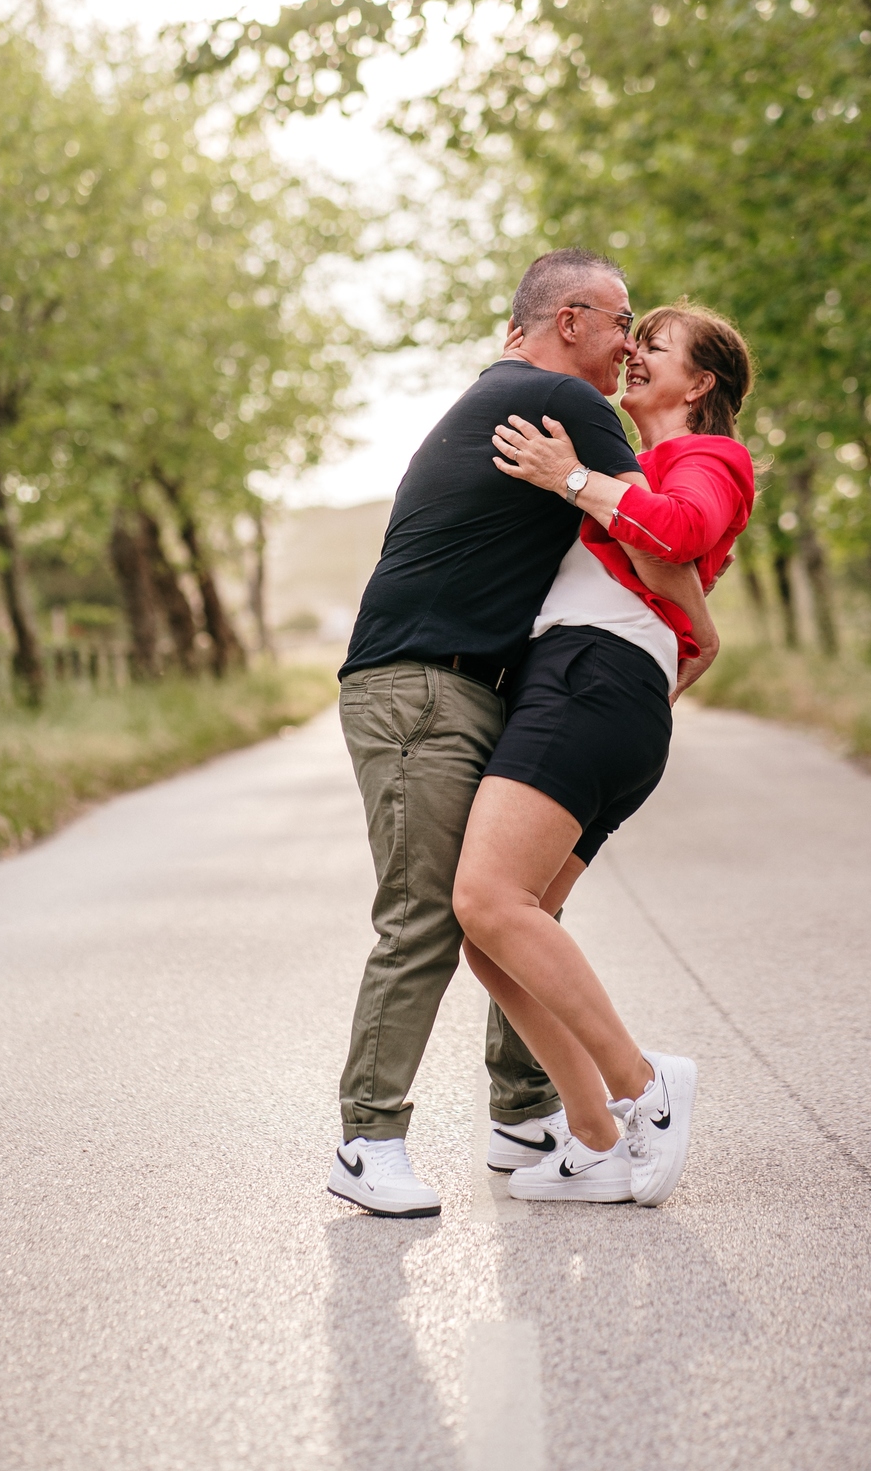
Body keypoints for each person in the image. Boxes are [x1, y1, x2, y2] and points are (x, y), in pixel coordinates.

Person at [327, 251, 718, 1218]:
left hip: (459, 682)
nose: (629, 344)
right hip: (424, 686)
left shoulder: (508, 391)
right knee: (435, 910)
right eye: (622, 320)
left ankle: (528, 1115)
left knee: (507, 903)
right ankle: (369, 1140)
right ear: (571, 320)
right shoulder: (562, 398)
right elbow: (653, 541)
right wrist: (701, 630)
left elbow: (657, 518)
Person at [451, 299, 755, 1206]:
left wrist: (572, 476)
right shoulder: (636, 464)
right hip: (596, 686)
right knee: (497, 938)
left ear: (700, 383)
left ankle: (643, 1085)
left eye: (654, 345)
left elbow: (680, 531)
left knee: (486, 899)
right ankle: (596, 1137)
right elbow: (668, 571)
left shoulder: (711, 456)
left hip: (596, 674)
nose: (634, 355)